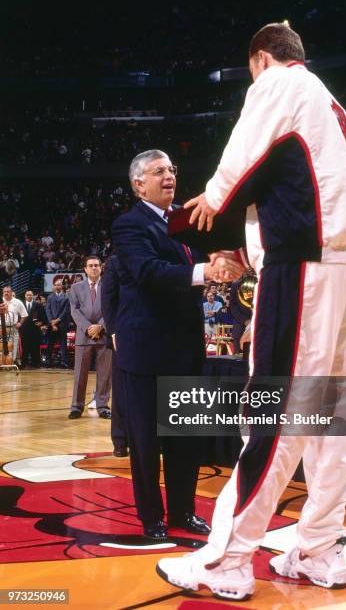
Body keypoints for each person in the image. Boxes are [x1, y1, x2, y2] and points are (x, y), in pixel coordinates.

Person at [157, 22, 346, 600]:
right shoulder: (330, 101)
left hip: (302, 265)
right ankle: (320, 548)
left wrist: (213, 195)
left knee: (274, 412)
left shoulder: (279, 84)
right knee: (330, 421)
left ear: (260, 59)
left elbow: (240, 164)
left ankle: (228, 558)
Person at [112, 149, 243, 540]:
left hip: (186, 349)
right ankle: (151, 517)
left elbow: (214, 252)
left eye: (171, 169)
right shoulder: (128, 225)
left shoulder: (184, 221)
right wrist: (205, 270)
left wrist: (224, 258)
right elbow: (149, 272)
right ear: (139, 185)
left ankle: (184, 511)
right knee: (147, 444)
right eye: (158, 171)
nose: (169, 175)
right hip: (145, 351)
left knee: (185, 440)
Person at [68, 256, 112, 419]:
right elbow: (74, 310)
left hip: (104, 333)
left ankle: (102, 406)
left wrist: (100, 325)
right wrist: (88, 327)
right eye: (90, 266)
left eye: (96, 265)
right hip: (83, 335)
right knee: (80, 373)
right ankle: (76, 407)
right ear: (85, 269)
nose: (94, 268)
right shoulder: (76, 287)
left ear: (101, 268)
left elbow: (112, 307)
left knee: (105, 374)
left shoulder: (109, 286)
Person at [100, 254, 128, 455]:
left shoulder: (157, 257)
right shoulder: (116, 262)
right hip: (123, 335)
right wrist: (113, 331)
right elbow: (108, 299)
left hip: (153, 334)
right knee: (121, 390)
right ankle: (120, 440)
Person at [45, 280, 70, 368]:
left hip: (62, 324)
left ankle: (64, 362)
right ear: (54, 286)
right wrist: (52, 322)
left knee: (63, 343)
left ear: (62, 286)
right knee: (50, 343)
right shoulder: (50, 297)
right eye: (56, 285)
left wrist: (57, 320)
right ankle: (48, 361)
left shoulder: (66, 297)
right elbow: (48, 310)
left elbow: (65, 311)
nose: (57, 287)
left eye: (59, 285)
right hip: (52, 324)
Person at [21, 290, 47, 368]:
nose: (29, 296)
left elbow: (43, 317)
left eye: (30, 295)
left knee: (35, 347)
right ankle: (24, 363)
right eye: (27, 295)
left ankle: (36, 363)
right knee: (25, 347)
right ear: (25, 296)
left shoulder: (38, 305)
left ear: (33, 296)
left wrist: (41, 323)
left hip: (35, 329)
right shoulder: (21, 304)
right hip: (24, 329)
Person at [1, 285, 27, 363]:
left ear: (11, 292)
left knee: (13, 346)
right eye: (4, 292)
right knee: (1, 346)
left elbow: (24, 314)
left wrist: (20, 323)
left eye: (8, 292)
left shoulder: (17, 302)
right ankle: (2, 363)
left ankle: (11, 363)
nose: (6, 293)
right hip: (0, 328)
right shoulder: (0, 301)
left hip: (13, 327)